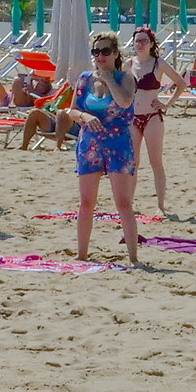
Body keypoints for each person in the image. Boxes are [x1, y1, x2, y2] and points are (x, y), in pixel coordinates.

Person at [71, 34, 141, 264]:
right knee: (86, 202)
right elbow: (71, 110)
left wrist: (108, 78)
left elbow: (124, 102)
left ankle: (133, 257)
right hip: (90, 143)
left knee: (123, 203)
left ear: (116, 53)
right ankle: (82, 255)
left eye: (105, 51)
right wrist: (84, 115)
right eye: (96, 52)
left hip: (118, 144)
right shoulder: (84, 79)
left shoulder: (126, 78)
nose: (100, 56)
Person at [129, 26, 176, 215]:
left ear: (151, 44)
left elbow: (180, 83)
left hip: (152, 117)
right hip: (133, 117)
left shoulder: (159, 64)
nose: (140, 44)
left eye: (144, 41)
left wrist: (166, 104)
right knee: (133, 163)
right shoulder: (128, 64)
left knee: (156, 162)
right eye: (137, 41)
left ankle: (161, 206)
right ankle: (129, 204)